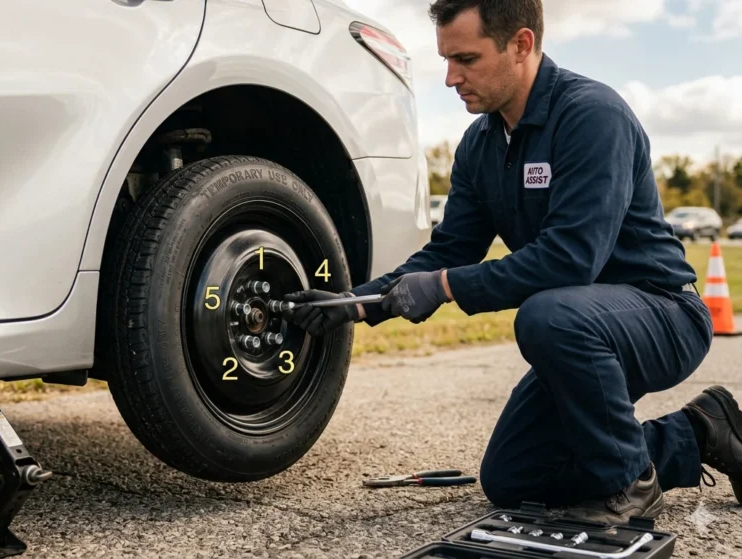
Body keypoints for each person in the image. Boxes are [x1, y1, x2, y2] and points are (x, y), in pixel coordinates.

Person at [282, 0, 742, 525]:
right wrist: (356, 302)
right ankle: (701, 431)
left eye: (467, 59)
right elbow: (448, 250)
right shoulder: (480, 146)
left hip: (661, 314)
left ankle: (627, 486)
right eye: (446, 59)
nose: (451, 77)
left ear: (521, 45)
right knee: (515, 476)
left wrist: (446, 286)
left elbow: (570, 262)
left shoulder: (592, 116)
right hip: (580, 327)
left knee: (547, 315)